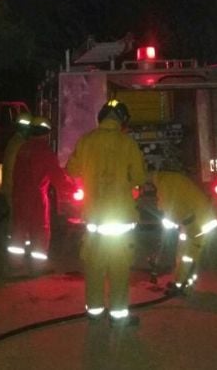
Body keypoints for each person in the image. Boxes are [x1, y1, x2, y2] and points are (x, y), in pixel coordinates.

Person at [67, 100, 146, 326]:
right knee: (119, 271)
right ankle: (119, 317)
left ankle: (94, 312)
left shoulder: (86, 141)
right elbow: (139, 178)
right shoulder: (128, 143)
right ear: (121, 121)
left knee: (94, 268)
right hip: (120, 223)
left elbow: (72, 170)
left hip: (94, 222)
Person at [9, 116, 75, 266]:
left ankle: (16, 266)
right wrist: (73, 188)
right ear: (46, 133)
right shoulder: (44, 152)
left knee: (19, 229)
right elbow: (58, 178)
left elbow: (15, 173)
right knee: (40, 230)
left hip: (18, 195)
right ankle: (37, 266)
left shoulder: (23, 148)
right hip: (36, 198)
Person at [151, 170, 217, 293]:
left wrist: (169, 223)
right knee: (184, 253)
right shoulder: (168, 179)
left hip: (197, 223)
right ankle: (183, 283)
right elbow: (170, 205)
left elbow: (171, 207)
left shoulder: (165, 184)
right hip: (194, 220)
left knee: (187, 256)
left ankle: (183, 286)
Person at [1, 112, 32, 237]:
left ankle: (15, 238)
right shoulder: (21, 144)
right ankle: (20, 239)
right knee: (20, 216)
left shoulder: (14, 141)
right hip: (15, 187)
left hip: (10, 186)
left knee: (15, 216)